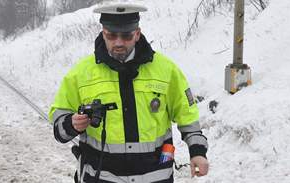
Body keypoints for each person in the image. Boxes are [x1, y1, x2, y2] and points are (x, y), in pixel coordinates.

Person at [49, 3, 209, 183]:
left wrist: (198, 152)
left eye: (126, 36)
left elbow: (187, 115)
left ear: (137, 34)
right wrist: (71, 124)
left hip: (156, 178)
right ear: (103, 33)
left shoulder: (166, 71)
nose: (118, 42)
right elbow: (58, 126)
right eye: (111, 35)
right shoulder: (80, 74)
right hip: (100, 178)